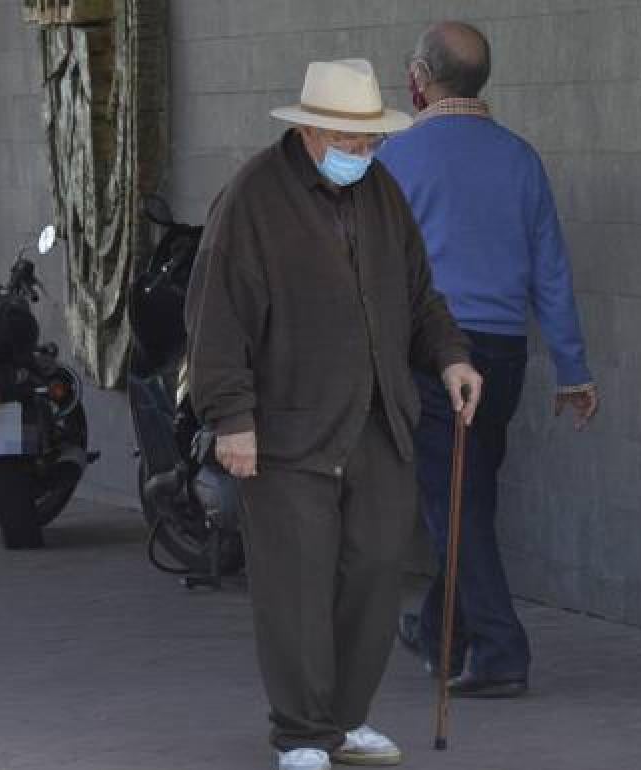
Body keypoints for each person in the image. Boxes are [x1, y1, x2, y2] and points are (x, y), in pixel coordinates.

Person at [185, 58, 483, 770]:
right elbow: (216, 314)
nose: (366, 153)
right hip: (287, 426)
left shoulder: (381, 191)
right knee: (295, 586)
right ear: (314, 130)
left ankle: (343, 720)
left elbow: (419, 295)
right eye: (353, 142)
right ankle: (300, 732)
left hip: (377, 420)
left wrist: (451, 357)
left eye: (372, 140)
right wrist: (231, 418)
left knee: (377, 571)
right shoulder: (254, 196)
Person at [376, 21, 599, 699]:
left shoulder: (396, 159)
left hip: (437, 356)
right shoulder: (521, 158)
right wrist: (573, 368)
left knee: (454, 509)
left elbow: (377, 271)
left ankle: (499, 649)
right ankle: (441, 626)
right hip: (502, 358)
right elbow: (550, 274)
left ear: (419, 76)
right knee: (469, 498)